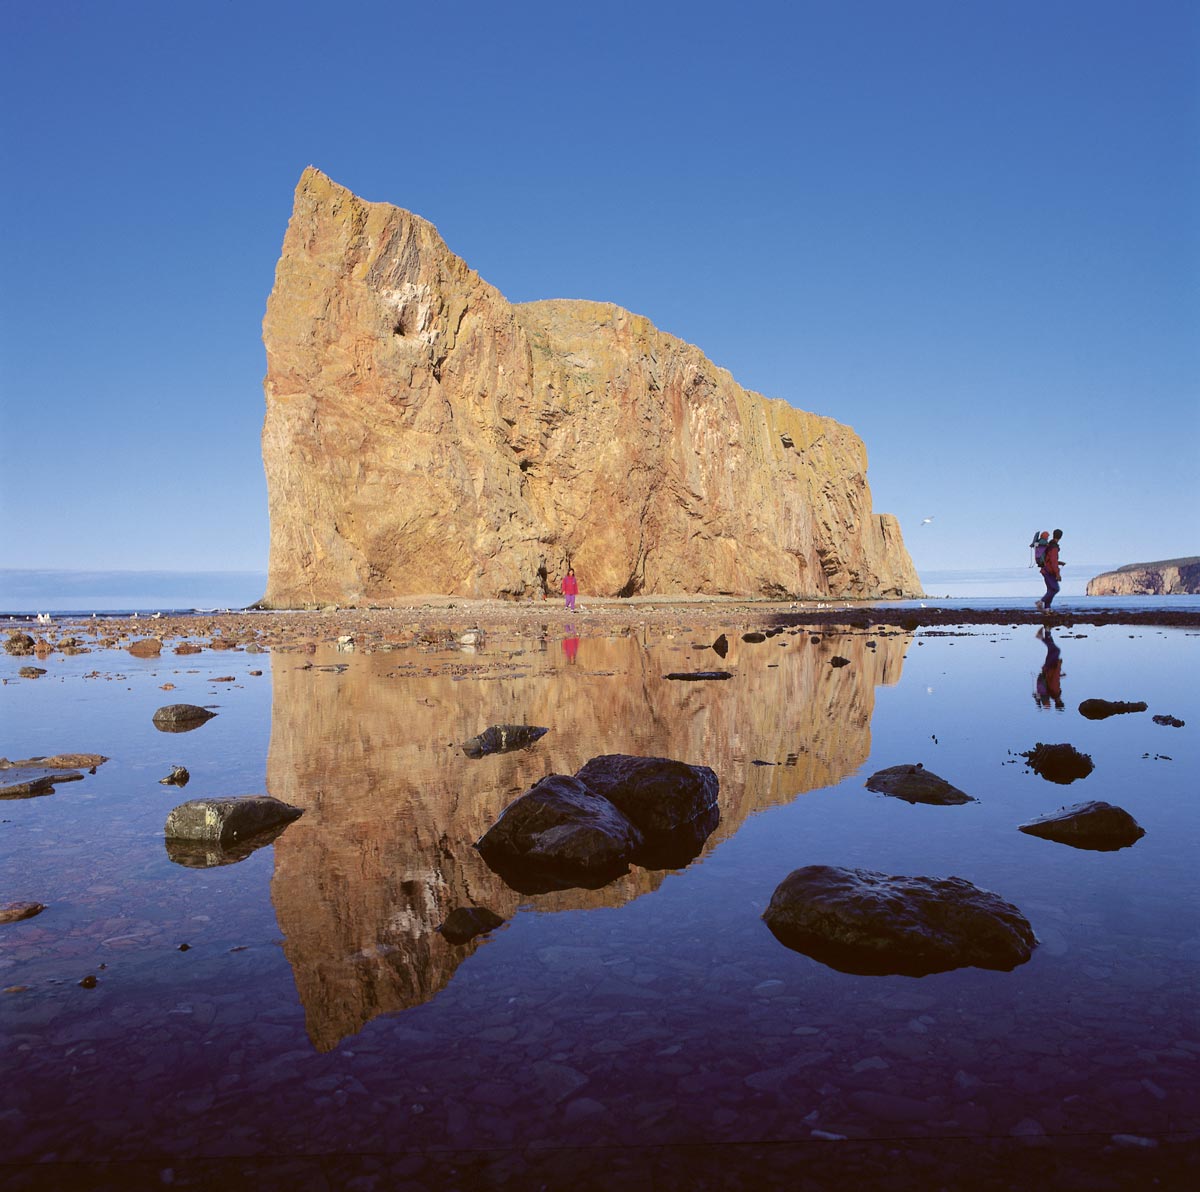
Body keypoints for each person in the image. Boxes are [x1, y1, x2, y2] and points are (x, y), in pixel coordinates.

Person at [1034, 625, 1064, 709]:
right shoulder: (1054, 694)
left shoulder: (1055, 693)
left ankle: (1041, 637)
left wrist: (1058, 666)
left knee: (1056, 650)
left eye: (1060, 701)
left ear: (1058, 702)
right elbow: (1054, 679)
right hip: (1049, 668)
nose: (1060, 700)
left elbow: (1053, 679)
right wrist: (1060, 675)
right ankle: (1047, 631)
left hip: (1051, 667)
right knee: (1052, 649)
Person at [1037, 529, 1063, 611]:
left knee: (1050, 590)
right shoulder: (1054, 547)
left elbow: (1049, 559)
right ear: (1060, 537)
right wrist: (1057, 574)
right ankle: (1040, 602)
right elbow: (1053, 561)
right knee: (1055, 589)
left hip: (1045, 570)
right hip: (1049, 571)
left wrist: (1059, 563)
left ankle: (1047, 608)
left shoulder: (1049, 545)